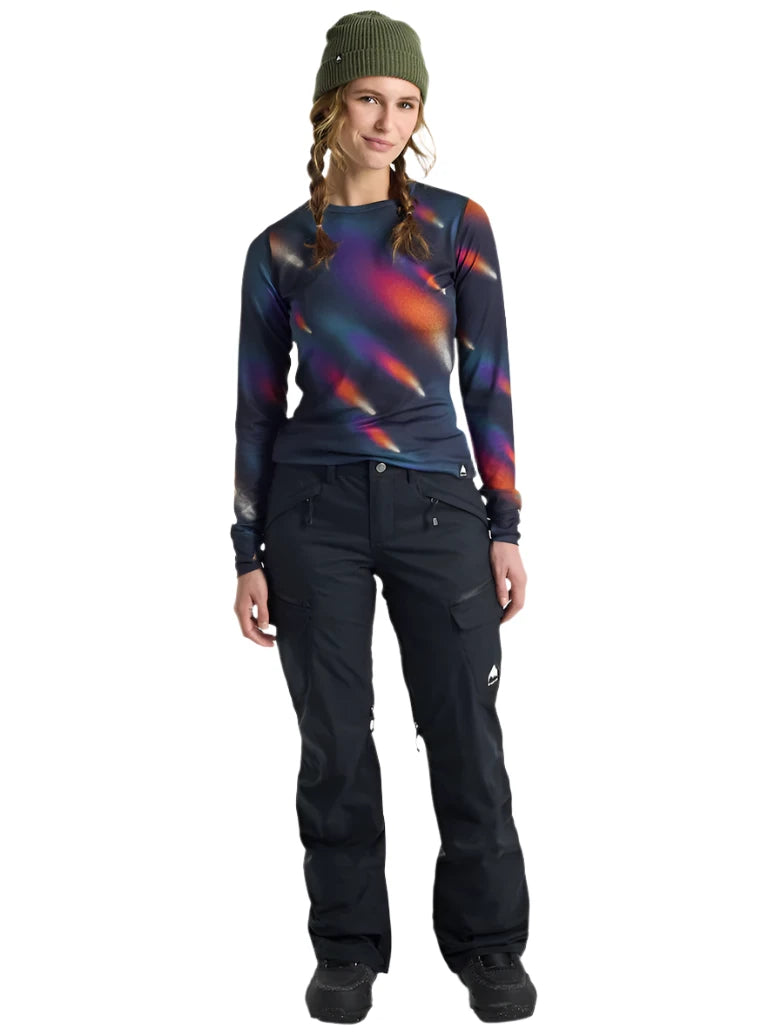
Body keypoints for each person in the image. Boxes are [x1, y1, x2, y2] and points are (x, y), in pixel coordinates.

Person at [231, 10, 536, 1024]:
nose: (387, 121)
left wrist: (504, 523)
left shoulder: (457, 227)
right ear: (331, 105)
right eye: (369, 98)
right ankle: (347, 947)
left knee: (464, 732)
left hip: (438, 507)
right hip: (310, 510)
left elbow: (488, 381)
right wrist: (247, 548)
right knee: (334, 738)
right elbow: (256, 407)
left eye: (406, 104)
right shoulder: (279, 249)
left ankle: (489, 945)